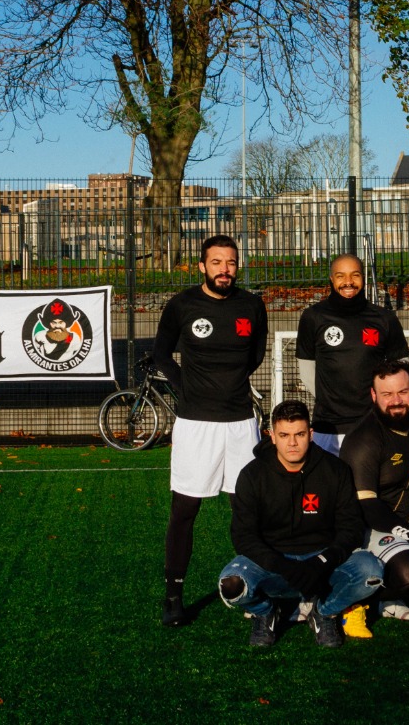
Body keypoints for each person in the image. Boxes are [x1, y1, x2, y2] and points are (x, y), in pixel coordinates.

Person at [153, 234, 269, 626]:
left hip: (240, 423)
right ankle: (173, 596)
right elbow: (160, 354)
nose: (225, 269)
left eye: (231, 262)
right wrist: (186, 387)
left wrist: (228, 384)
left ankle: (258, 593)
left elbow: (254, 355)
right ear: (202, 266)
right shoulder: (182, 304)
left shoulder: (252, 306)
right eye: (216, 262)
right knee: (185, 509)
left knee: (247, 510)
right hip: (195, 425)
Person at [219, 400, 383, 648]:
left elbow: (351, 528)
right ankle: (265, 612)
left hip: (323, 562)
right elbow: (243, 537)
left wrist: (321, 562)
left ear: (311, 434)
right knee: (230, 585)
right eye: (284, 435)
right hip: (273, 562)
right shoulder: (252, 475)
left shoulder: (335, 469)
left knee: (371, 573)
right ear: (272, 436)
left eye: (299, 434)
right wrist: (284, 566)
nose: (292, 443)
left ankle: (325, 612)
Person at [337, 360, 409, 638]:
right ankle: (362, 601)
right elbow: (367, 508)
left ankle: (406, 592)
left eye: (402, 392)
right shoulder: (363, 439)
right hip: (373, 528)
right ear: (374, 396)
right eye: (387, 395)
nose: (396, 401)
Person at [295, 254, 409, 454]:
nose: (348, 282)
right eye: (341, 276)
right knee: (328, 485)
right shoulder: (313, 316)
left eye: (355, 275)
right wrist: (332, 399)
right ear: (331, 279)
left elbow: (399, 372)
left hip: (372, 423)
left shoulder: (384, 318)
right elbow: (306, 370)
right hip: (328, 426)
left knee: (368, 485)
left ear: (363, 278)